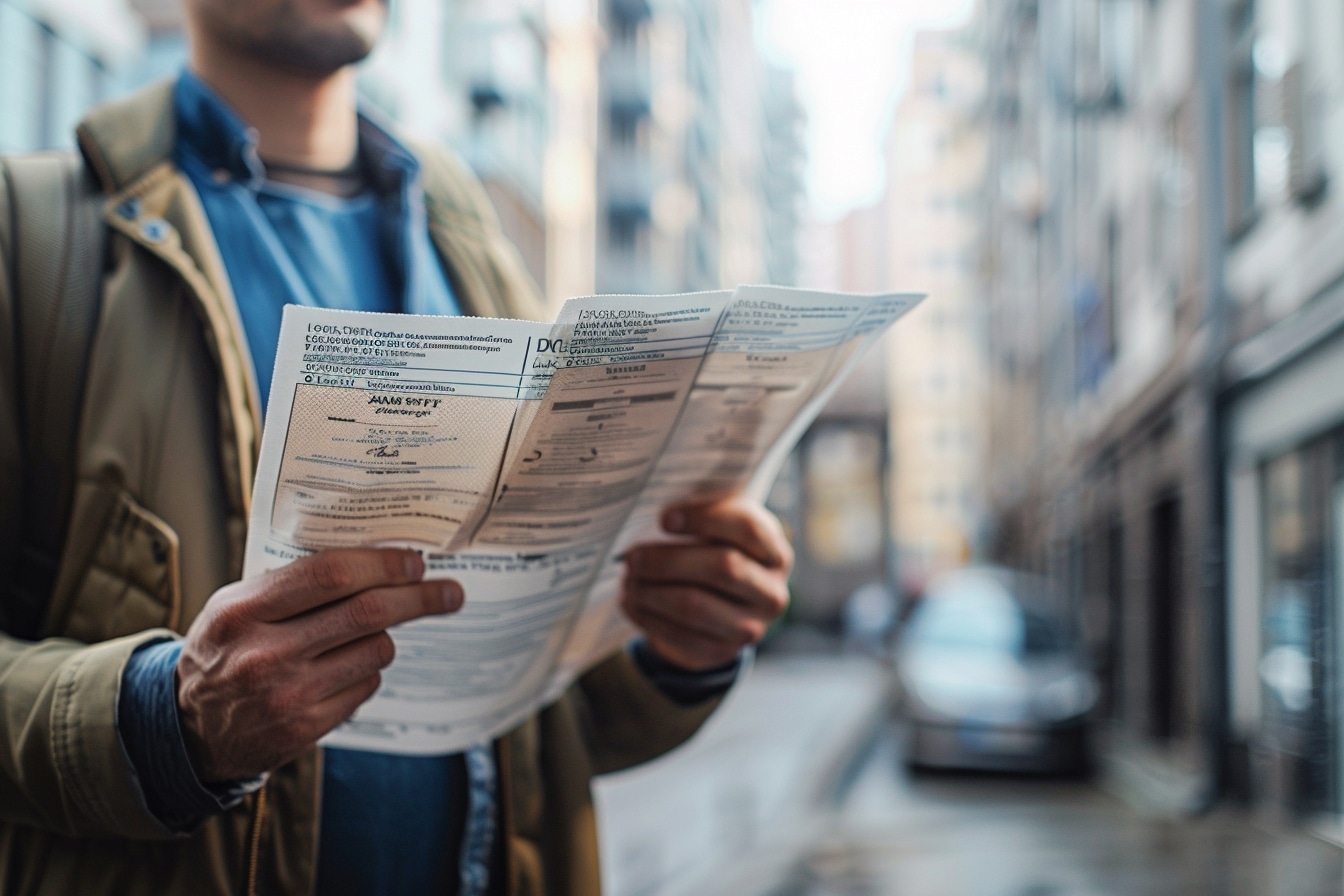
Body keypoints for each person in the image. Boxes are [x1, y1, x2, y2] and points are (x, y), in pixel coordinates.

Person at [0, 1, 793, 894]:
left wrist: (678, 649)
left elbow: (543, 725)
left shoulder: (478, 259)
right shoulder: (35, 237)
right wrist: (164, 724)